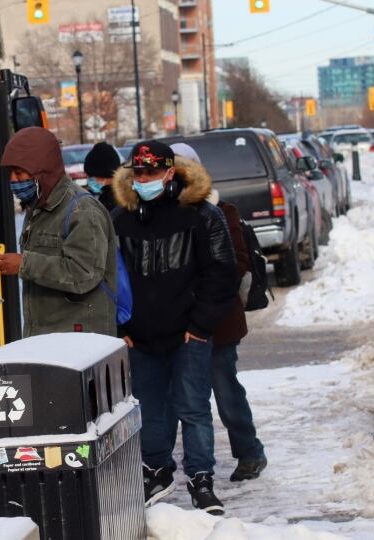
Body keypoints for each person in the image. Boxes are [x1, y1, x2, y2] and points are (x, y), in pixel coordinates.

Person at [112, 140, 236, 515]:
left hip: (188, 335)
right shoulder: (120, 219)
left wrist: (200, 325)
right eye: (138, 173)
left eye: (151, 172)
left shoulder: (201, 216)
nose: (144, 179)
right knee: (149, 410)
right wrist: (121, 328)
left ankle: (201, 479)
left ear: (170, 173)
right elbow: (108, 278)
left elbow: (221, 274)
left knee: (193, 408)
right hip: (141, 337)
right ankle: (157, 470)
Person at [170, 143, 267, 482]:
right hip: (176, 324)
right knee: (180, 397)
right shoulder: (164, 214)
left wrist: (201, 292)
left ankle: (250, 452)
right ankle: (170, 463)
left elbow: (237, 263)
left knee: (225, 390)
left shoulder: (222, 211)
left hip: (218, 321)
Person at [0, 127, 117, 337]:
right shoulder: (38, 207)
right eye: (10, 172)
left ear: (42, 170)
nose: (13, 179)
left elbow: (85, 273)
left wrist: (24, 263)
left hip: (78, 341)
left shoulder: (81, 209)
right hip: (48, 338)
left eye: (19, 172)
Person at [83, 141, 121, 211]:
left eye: (94, 176)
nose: (90, 180)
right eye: (89, 176)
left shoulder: (121, 201)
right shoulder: (95, 197)